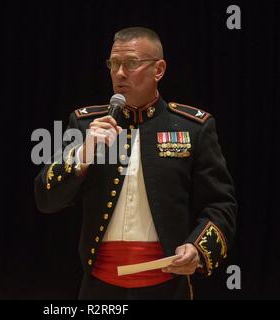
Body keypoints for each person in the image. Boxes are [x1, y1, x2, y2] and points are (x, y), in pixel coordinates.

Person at [34, 27, 237, 300]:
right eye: (114, 64)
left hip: (167, 283)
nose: (119, 73)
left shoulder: (193, 127)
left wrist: (198, 250)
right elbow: (46, 200)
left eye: (131, 63)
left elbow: (220, 204)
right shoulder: (85, 125)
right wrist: (83, 154)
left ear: (159, 70)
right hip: (99, 286)